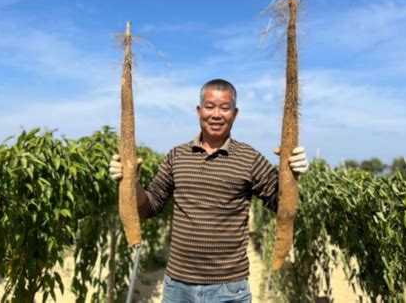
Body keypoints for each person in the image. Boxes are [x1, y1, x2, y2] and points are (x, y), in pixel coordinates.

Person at [109, 79, 309, 302]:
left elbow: (280, 204)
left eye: (225, 108)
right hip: (178, 287)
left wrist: (293, 174)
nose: (216, 114)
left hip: (229, 288)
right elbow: (150, 207)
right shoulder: (177, 156)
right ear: (199, 110)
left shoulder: (249, 158)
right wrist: (130, 183)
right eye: (210, 106)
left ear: (235, 113)